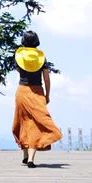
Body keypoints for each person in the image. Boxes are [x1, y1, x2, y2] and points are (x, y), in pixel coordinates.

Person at [11, 31, 62, 168]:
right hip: (37, 92)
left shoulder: (19, 55)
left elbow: (18, 70)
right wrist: (47, 94)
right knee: (35, 123)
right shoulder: (41, 57)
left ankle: (26, 155)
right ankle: (30, 159)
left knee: (23, 122)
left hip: (21, 91)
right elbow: (46, 78)